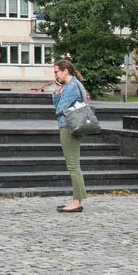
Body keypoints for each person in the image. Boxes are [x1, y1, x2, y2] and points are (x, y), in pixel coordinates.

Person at [52, 59, 90, 213]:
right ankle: (77, 199)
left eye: (56, 72)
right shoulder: (75, 84)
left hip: (69, 126)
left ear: (65, 71)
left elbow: (59, 109)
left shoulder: (71, 87)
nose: (55, 75)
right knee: (74, 165)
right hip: (74, 126)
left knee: (73, 165)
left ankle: (77, 202)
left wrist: (56, 94)